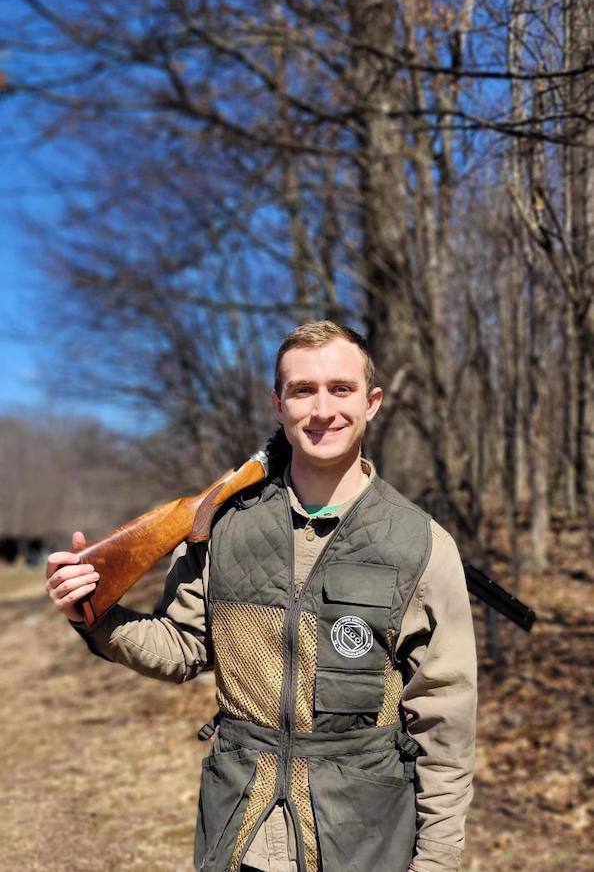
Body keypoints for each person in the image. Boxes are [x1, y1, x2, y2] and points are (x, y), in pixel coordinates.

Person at [46, 320, 477, 872]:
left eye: (341, 389)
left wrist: (436, 863)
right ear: (278, 404)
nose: (323, 410)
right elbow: (182, 646)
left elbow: (446, 719)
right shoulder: (221, 525)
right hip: (242, 829)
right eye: (303, 390)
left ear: (372, 403)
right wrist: (93, 615)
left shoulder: (421, 544)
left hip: (363, 838)